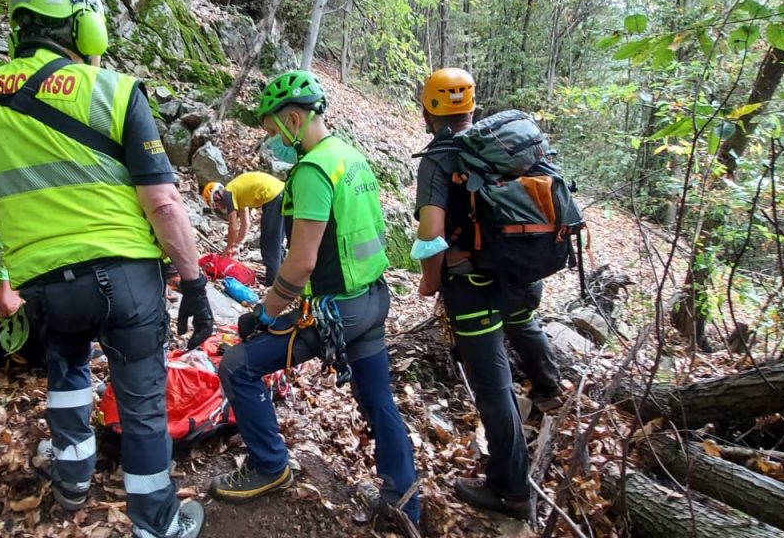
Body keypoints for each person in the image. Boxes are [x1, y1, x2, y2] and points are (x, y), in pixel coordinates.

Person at [0, 0, 210, 536]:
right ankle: (158, 525)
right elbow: (165, 204)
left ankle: (72, 479)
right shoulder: (115, 91)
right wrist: (194, 283)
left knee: (67, 370)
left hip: (45, 284)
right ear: (83, 25)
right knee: (142, 400)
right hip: (125, 279)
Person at [207, 70, 421, 529]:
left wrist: (263, 314)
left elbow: (301, 263)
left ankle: (269, 467)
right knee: (378, 399)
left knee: (237, 366)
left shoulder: (312, 170)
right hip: (373, 299)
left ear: (293, 117)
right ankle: (403, 501)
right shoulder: (351, 157)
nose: (273, 141)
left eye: (272, 129)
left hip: (338, 310)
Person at [412, 67, 562, 521]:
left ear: (427, 111)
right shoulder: (507, 145)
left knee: (494, 385)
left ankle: (510, 488)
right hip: (522, 274)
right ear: (472, 108)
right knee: (523, 324)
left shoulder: (440, 159)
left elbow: (431, 233)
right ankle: (550, 389)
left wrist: (430, 279)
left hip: (473, 285)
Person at [201, 171, 286, 285]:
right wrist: (236, 244)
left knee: (269, 244)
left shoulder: (228, 194)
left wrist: (229, 247)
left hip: (273, 195)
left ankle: (273, 282)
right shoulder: (237, 194)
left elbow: (233, 226)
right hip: (281, 192)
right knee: (277, 241)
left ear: (217, 196)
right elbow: (246, 223)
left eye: (217, 204)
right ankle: (281, 277)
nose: (219, 207)